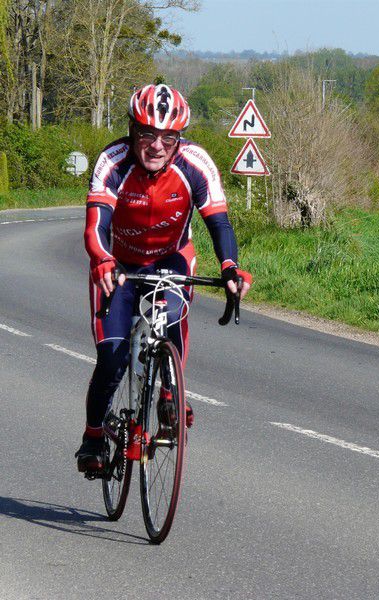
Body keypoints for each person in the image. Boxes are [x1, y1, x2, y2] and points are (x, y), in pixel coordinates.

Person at [76, 84, 252, 473]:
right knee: (112, 355)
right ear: (132, 130)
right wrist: (103, 261)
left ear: (179, 139)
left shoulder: (196, 163)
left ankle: (170, 392)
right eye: (147, 134)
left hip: (171, 260)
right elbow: (95, 227)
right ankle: (92, 436)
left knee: (170, 317)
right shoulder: (113, 161)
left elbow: (219, 222)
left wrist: (229, 268)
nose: (157, 145)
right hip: (119, 266)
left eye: (168, 137)